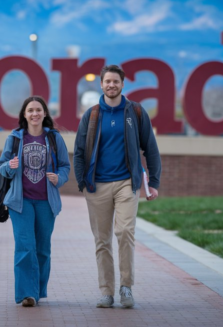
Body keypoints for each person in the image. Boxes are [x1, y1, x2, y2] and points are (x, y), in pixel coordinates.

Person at [74, 65, 161, 309]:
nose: (111, 85)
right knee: (102, 240)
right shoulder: (91, 115)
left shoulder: (135, 112)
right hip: (97, 186)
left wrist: (153, 182)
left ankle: (126, 287)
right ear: (101, 84)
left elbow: (150, 149)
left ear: (123, 84)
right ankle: (106, 291)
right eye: (107, 81)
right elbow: (79, 151)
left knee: (124, 232)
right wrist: (82, 182)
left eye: (116, 81)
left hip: (126, 183)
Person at [0, 96, 70, 307]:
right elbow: (2, 167)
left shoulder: (54, 139)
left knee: (42, 249)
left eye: (38, 110)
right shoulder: (15, 138)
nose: (34, 114)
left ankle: (37, 290)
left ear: (45, 113)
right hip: (21, 203)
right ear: (24, 115)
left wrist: (60, 178)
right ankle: (27, 294)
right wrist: (10, 166)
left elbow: (65, 166)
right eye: (30, 110)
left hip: (46, 203)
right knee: (24, 246)